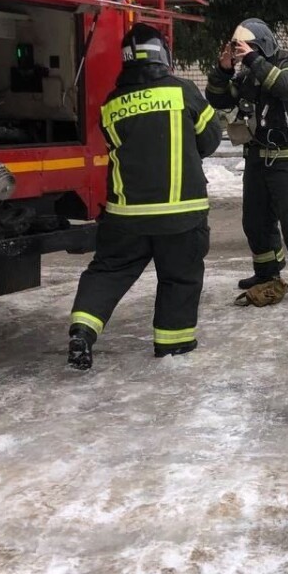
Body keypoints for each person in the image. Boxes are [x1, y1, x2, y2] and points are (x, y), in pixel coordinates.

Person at [66, 23, 221, 370]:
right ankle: (173, 345)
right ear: (163, 55)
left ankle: (83, 330)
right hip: (183, 214)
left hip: (126, 217)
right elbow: (210, 140)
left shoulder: (112, 104)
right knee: (179, 277)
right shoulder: (183, 92)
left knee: (108, 271)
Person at [206, 18, 288, 306]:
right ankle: (266, 272)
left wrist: (253, 59)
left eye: (249, 49)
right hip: (257, 158)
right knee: (256, 221)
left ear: (262, 46)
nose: (244, 56)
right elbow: (219, 100)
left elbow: (286, 87)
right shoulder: (248, 74)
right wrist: (224, 70)